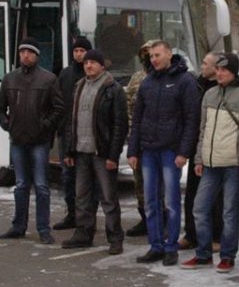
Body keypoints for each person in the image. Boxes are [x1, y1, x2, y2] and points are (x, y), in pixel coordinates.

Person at [127, 40, 201, 266]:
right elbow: (137, 119)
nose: (154, 59)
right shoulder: (147, 82)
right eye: (151, 56)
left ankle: (171, 247)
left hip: (171, 150)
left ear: (169, 54)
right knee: (150, 201)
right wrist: (133, 150)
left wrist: (184, 152)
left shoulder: (185, 81)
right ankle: (156, 245)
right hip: (148, 150)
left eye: (157, 55)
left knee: (171, 201)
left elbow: (192, 120)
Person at [182, 53, 239, 273]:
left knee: (229, 212)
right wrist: (199, 158)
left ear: (234, 72)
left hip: (233, 164)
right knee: (199, 208)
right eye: (218, 69)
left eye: (224, 70)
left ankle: (227, 256)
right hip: (210, 164)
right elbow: (203, 130)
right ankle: (203, 253)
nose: (220, 73)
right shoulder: (210, 94)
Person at [0, 38, 64, 245]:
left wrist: (44, 125)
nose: (25, 55)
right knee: (21, 185)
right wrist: (8, 125)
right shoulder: (10, 79)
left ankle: (43, 229)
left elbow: (59, 108)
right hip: (17, 140)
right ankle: (18, 226)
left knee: (41, 186)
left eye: (30, 52)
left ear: (37, 56)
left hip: (40, 141)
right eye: (22, 51)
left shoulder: (48, 79)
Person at [62, 50, 129, 255]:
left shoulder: (113, 89)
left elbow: (120, 125)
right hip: (81, 151)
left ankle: (115, 238)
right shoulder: (79, 86)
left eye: (92, 62)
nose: (88, 65)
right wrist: (69, 150)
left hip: (102, 153)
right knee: (82, 196)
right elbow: (72, 121)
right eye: (86, 63)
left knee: (108, 197)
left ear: (102, 65)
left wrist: (113, 155)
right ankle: (83, 233)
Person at [180, 51, 223, 250]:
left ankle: (216, 236)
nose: (202, 66)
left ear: (216, 67)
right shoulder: (197, 85)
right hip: (197, 145)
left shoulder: (223, 88)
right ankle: (191, 233)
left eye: (206, 63)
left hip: (217, 148)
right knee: (192, 193)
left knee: (215, 195)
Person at [54, 36, 92, 230]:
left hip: (86, 134)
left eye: (82, 51)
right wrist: (59, 126)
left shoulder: (92, 74)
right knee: (68, 177)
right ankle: (71, 214)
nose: (78, 54)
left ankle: (86, 217)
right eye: (76, 51)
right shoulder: (65, 74)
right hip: (66, 132)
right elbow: (58, 102)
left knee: (85, 178)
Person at [124, 40, 155, 237]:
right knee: (140, 183)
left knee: (159, 185)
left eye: (151, 54)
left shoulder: (167, 77)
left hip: (159, 141)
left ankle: (162, 220)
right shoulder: (136, 78)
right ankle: (145, 218)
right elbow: (129, 108)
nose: (147, 58)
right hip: (139, 140)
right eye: (144, 54)